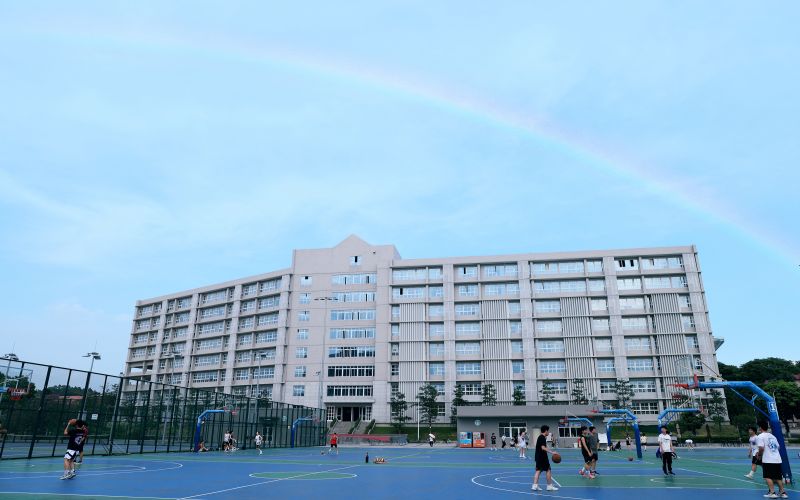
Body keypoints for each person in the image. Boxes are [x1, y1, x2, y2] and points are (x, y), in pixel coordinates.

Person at [755, 421, 788, 499]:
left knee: (768, 476)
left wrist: (759, 455)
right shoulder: (772, 436)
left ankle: (772, 493)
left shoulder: (760, 436)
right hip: (777, 459)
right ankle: (783, 493)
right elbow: (778, 447)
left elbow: (761, 448)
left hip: (768, 459)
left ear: (760, 427)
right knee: (778, 477)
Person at [532, 425, 559, 491]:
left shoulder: (540, 437)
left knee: (538, 470)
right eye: (548, 431)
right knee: (548, 470)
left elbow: (543, 447)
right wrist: (552, 452)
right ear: (546, 431)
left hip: (538, 457)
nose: (548, 432)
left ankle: (534, 486)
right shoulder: (542, 437)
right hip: (542, 457)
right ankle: (549, 486)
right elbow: (543, 448)